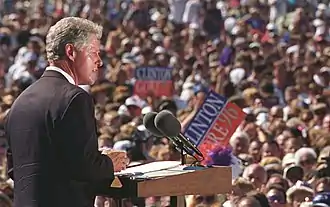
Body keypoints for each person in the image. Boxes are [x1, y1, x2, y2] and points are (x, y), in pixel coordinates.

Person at [4, 17, 129, 207]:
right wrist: (109, 163)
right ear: (71, 51)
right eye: (93, 52)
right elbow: (84, 168)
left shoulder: (20, 102)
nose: (99, 61)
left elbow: (15, 170)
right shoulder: (75, 98)